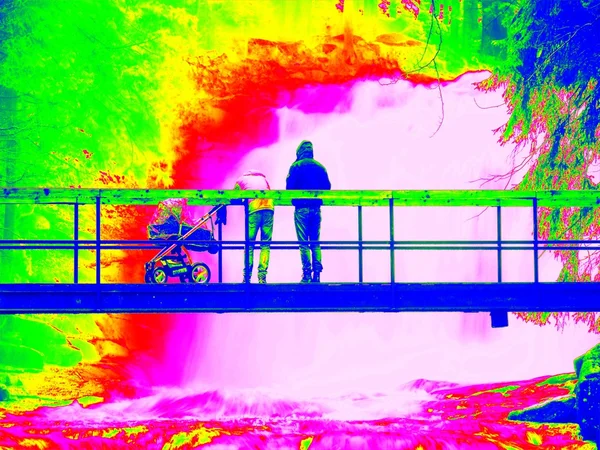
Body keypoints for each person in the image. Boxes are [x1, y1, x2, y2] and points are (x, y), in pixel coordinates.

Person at [285, 140, 331, 283]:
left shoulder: (296, 166)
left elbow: (289, 188)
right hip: (316, 209)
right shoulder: (320, 167)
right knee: (315, 241)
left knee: (303, 242)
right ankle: (317, 274)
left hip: (302, 209)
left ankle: (306, 274)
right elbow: (327, 187)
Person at [234, 170, 274, 283]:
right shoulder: (264, 179)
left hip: (255, 208)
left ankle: (247, 277)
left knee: (249, 244)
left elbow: (233, 196)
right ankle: (262, 276)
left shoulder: (241, 180)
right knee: (265, 244)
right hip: (268, 208)